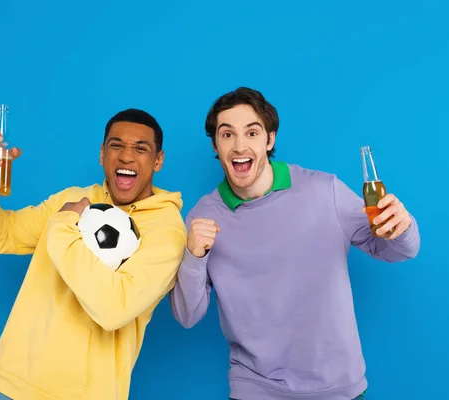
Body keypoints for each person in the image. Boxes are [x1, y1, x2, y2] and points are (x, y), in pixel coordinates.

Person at [169, 87, 420, 400]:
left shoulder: (324, 190)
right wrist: (193, 257)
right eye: (227, 134)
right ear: (216, 146)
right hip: (254, 389)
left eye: (251, 132)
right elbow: (186, 315)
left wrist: (402, 225)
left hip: (337, 388)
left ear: (269, 139)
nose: (239, 145)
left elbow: (398, 250)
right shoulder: (202, 216)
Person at [0, 108, 187, 400]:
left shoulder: (166, 230)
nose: (126, 156)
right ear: (102, 154)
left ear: (158, 160)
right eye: (116, 145)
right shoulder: (73, 199)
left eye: (141, 148)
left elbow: (114, 308)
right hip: (14, 386)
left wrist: (62, 225)